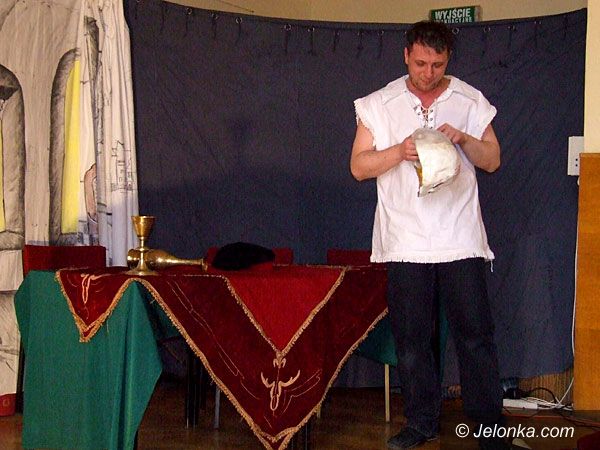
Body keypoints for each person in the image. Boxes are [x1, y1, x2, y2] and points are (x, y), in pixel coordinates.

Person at [351, 21, 508, 450]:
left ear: (448, 60)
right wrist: (398, 151)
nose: (428, 72)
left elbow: (492, 160)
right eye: (420, 63)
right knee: (412, 340)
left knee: (475, 336)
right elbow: (359, 167)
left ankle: (489, 428)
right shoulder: (379, 104)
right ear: (406, 55)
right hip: (406, 239)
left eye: (437, 64)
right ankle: (421, 423)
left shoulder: (469, 99)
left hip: (459, 236)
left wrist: (465, 139)